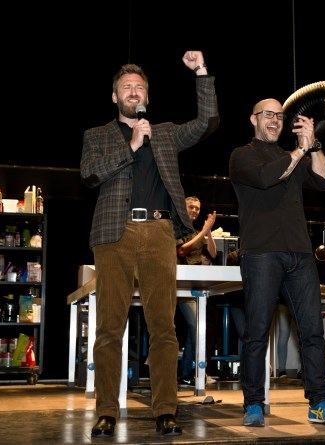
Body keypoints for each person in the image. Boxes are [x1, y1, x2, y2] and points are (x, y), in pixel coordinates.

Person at [80, 51, 218, 438]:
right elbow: (89, 174)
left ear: (147, 95)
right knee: (109, 327)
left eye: (139, 87)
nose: (133, 91)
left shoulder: (166, 133)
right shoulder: (97, 136)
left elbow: (207, 122)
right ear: (114, 96)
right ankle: (107, 411)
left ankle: (165, 410)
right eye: (126, 87)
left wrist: (201, 73)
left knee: (163, 327)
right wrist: (132, 145)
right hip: (115, 234)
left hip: (159, 233)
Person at [228, 98, 325, 426]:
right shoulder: (242, 156)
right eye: (268, 114)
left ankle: (318, 403)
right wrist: (299, 150)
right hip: (261, 253)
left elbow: (323, 181)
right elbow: (269, 177)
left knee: (312, 331)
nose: (275, 120)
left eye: (280, 115)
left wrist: (314, 145)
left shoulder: (293, 154)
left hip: (300, 253)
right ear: (254, 119)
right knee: (257, 331)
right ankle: (253, 404)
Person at [176, 196, 217, 386]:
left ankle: (186, 373)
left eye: (197, 208)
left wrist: (208, 233)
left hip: (196, 286)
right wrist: (204, 232)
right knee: (195, 327)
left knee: (197, 328)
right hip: (180, 285)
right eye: (191, 207)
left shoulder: (195, 231)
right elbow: (182, 251)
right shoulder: (178, 227)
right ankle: (199, 371)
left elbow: (213, 253)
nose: (194, 210)